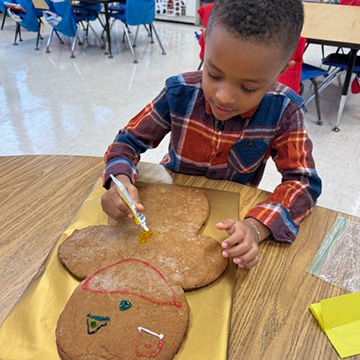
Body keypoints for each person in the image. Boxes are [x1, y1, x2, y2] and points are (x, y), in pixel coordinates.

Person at [101, 0, 322, 270]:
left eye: (249, 88)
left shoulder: (285, 110)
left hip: (231, 224)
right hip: (165, 207)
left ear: (281, 71)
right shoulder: (179, 91)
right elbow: (127, 142)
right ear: (205, 43)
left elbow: (303, 182)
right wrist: (120, 183)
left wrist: (255, 228)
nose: (224, 97)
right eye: (214, 74)